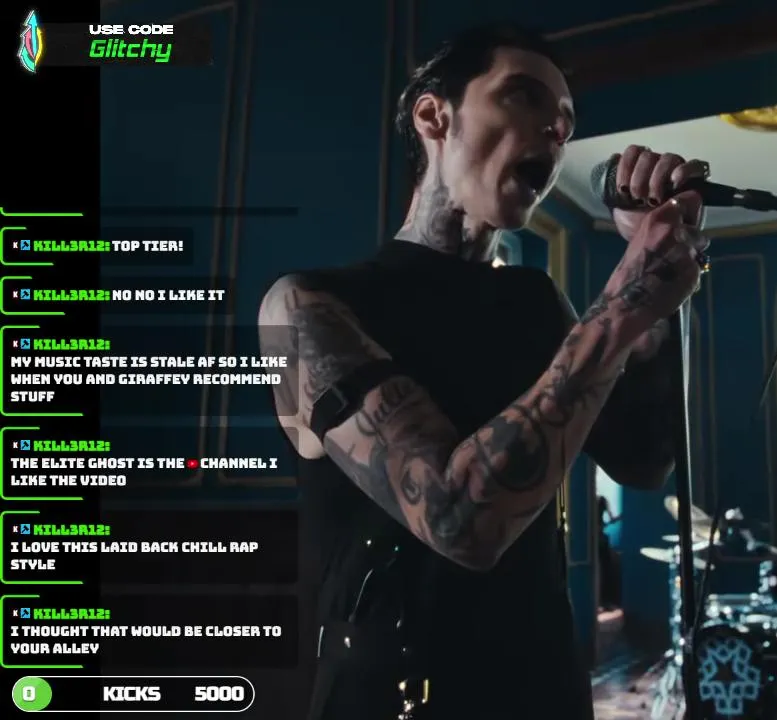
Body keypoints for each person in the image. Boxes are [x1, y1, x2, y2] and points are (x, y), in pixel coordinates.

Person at [257, 23, 712, 719]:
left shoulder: (535, 302)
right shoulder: (303, 306)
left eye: (566, 125)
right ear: (434, 116)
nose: (555, 131)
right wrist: (624, 305)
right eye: (524, 97)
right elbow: (455, 519)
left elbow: (645, 460)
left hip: (544, 692)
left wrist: (656, 310)